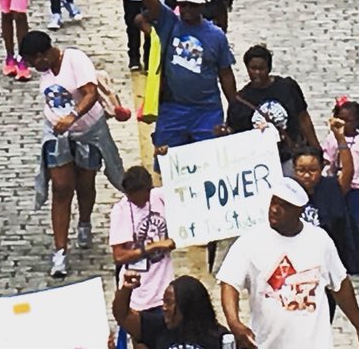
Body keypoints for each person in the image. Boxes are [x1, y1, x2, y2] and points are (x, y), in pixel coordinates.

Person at [217, 178, 359, 349]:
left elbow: (340, 286)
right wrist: (234, 322)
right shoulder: (250, 241)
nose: (275, 210)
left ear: (299, 211)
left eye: (284, 206)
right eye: (273, 202)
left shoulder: (320, 241)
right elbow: (229, 282)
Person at [18, 31, 124, 279]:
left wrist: (73, 116)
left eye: (34, 62)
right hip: (57, 133)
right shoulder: (45, 73)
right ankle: (60, 251)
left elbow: (90, 93)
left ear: (43, 55)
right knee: (62, 187)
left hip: (87, 130)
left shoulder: (75, 59)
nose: (34, 68)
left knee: (85, 183)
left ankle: (85, 221)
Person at [119, 0, 237, 151]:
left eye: (193, 5)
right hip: (173, 106)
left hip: (207, 109)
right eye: (183, 4)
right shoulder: (169, 21)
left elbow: (226, 74)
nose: (187, 9)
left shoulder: (216, 35)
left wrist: (237, 112)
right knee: (168, 162)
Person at [225, 45, 319, 170]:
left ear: (269, 68)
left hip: (290, 156)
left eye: (261, 68)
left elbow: (303, 118)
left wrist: (316, 149)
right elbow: (237, 136)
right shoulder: (240, 101)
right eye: (253, 68)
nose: (257, 73)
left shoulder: (287, 88)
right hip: (260, 162)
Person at [108, 166, 177, 317]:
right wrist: (153, 247)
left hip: (163, 287)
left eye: (143, 197)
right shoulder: (121, 210)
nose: (138, 202)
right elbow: (119, 256)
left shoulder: (159, 197)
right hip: (137, 292)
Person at [291, 136, 358, 287]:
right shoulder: (287, 191)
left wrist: (341, 138)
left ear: (322, 167)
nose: (307, 175)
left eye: (312, 170)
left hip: (328, 261)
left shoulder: (332, 187)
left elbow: (348, 172)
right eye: (301, 170)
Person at [322, 98, 359, 274]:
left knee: (356, 220)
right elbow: (327, 157)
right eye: (342, 120)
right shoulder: (332, 139)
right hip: (336, 187)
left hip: (356, 188)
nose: (346, 124)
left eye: (350, 121)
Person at [113, 273, 227, 349]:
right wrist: (125, 290)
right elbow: (123, 316)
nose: (164, 308)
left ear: (186, 305)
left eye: (169, 302)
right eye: (163, 302)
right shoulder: (159, 326)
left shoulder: (220, 338)